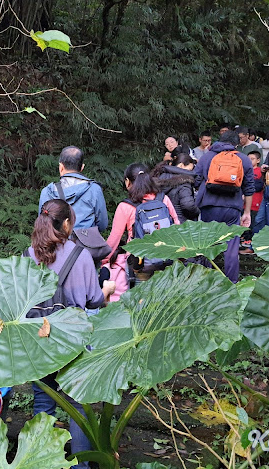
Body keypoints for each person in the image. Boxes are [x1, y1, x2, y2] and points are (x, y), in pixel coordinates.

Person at [26, 199, 115, 469]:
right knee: (78, 406)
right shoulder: (81, 255)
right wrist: (108, 290)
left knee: (44, 402)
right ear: (66, 224)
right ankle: (81, 465)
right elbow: (94, 301)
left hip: (39, 339)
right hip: (72, 340)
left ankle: (38, 462)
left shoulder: (27, 255)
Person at [194, 130, 254, 283]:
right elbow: (249, 188)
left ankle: (206, 282)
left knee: (207, 244)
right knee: (232, 248)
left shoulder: (206, 157)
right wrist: (246, 212)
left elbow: (195, 180)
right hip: (232, 208)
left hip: (209, 206)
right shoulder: (244, 159)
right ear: (236, 144)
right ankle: (232, 284)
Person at [104, 164, 180, 263]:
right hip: (168, 257)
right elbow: (176, 224)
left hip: (139, 262)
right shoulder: (163, 199)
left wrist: (103, 260)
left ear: (127, 182)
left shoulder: (125, 206)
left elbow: (115, 238)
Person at [39, 146, 108, 231]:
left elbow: (42, 224)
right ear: (82, 167)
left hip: (57, 242)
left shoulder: (48, 191)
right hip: (85, 242)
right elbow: (102, 224)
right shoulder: (94, 189)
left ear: (61, 167)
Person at [152, 153, 200, 223]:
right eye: (189, 170)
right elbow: (188, 205)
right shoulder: (185, 181)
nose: (191, 173)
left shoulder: (159, 177)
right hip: (181, 223)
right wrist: (197, 211)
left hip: (162, 221)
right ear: (181, 165)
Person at [240, 150, 266, 253]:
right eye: (248, 159)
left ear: (258, 160)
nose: (250, 161)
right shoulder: (244, 171)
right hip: (244, 204)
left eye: (252, 159)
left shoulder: (260, 171)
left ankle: (251, 245)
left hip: (256, 202)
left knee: (254, 223)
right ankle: (244, 242)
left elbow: (259, 186)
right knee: (244, 224)